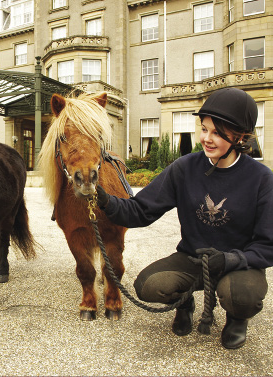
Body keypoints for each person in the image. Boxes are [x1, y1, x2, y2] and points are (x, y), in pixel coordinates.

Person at [95, 87, 272, 349]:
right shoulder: (185, 168)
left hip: (238, 262)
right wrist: (105, 200)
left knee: (242, 296)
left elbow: (268, 245)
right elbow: (141, 210)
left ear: (240, 137)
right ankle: (184, 303)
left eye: (217, 133)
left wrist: (231, 259)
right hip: (192, 257)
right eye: (204, 129)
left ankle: (236, 318)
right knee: (149, 285)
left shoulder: (261, 179)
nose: (207, 139)